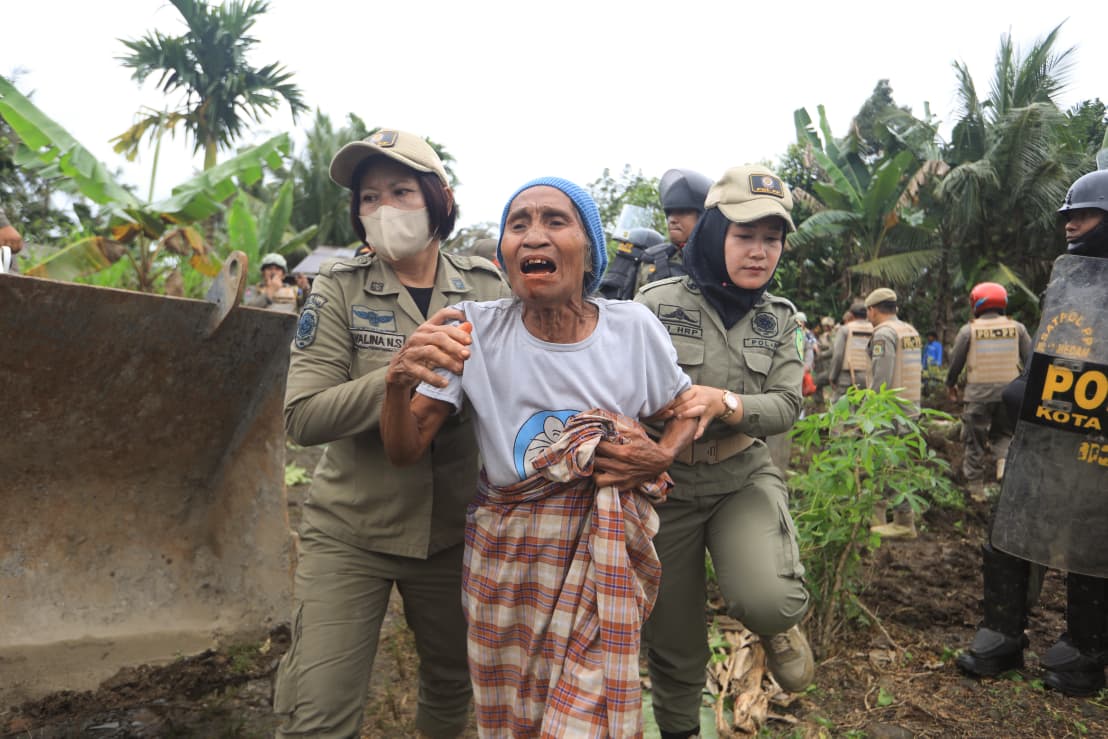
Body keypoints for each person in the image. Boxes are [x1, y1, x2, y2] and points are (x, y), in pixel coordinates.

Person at [380, 176, 698, 737]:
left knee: (585, 713)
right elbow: (405, 449)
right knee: (510, 711)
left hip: (601, 552)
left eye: (555, 221)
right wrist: (395, 384)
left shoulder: (633, 329)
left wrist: (660, 454)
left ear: (590, 249)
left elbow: (688, 407)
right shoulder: (473, 329)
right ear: (504, 253)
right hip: (506, 555)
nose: (534, 236)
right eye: (518, 223)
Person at [273, 128, 511, 737]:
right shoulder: (338, 289)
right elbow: (303, 417)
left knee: (452, 684)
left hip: (453, 534)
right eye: (369, 198)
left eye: (400, 191)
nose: (382, 211)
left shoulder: (487, 289)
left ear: (438, 198)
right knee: (318, 710)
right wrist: (396, 373)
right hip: (351, 531)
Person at [634, 164, 814, 738]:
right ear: (715, 234)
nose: (760, 252)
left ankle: (776, 623)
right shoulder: (654, 303)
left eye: (772, 239)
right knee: (673, 640)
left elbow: (787, 403)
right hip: (667, 487)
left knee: (767, 598)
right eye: (745, 236)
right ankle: (681, 731)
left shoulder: (779, 319)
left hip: (741, 477)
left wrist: (729, 404)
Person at [957, 169, 1108, 697]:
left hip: (1098, 448)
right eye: (1068, 216)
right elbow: (1050, 352)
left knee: (1095, 552)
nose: (1071, 225)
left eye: (1084, 215)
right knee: (1009, 531)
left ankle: (1085, 653)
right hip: (1047, 442)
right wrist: (1029, 387)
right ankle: (1002, 634)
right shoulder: (1070, 285)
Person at [944, 283, 1031, 502]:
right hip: (1009, 394)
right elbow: (1031, 360)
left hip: (978, 396)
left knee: (975, 439)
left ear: (976, 303)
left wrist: (951, 383)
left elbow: (956, 362)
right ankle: (1003, 465)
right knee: (1004, 434)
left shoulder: (969, 330)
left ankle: (976, 489)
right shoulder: (1017, 328)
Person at [864, 287, 923, 539]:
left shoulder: (884, 334)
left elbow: (882, 378)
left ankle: (901, 522)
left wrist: (872, 413)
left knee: (886, 464)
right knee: (901, 464)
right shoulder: (909, 331)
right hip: (911, 408)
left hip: (890, 412)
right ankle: (885, 517)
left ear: (872, 310)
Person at [636, 168, 714, 290]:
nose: (672, 219)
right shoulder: (652, 262)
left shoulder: (723, 262)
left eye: (682, 212)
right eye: (670, 213)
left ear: (704, 217)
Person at [597, 226, 665, 299]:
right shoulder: (629, 266)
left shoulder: (649, 270)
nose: (624, 247)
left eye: (628, 245)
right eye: (624, 245)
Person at [828, 301, 873, 403]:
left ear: (851, 315)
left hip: (847, 377)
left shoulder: (845, 329)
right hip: (868, 377)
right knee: (862, 408)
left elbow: (838, 355)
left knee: (840, 410)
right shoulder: (875, 329)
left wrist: (832, 376)